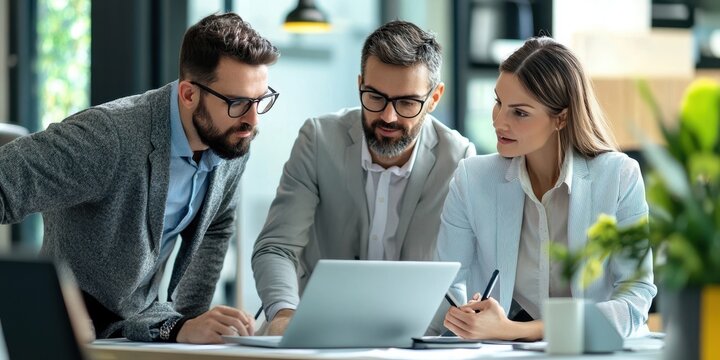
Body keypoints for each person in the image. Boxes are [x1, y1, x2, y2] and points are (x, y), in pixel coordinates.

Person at [0, 13, 279, 343]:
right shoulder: (110, 137)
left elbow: (216, 225)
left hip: (137, 328)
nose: (252, 120)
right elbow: (6, 180)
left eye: (260, 101)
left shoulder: (231, 140)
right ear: (189, 94)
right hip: (67, 327)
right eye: (237, 103)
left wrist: (187, 324)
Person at [252, 20, 475, 335]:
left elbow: (461, 276)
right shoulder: (318, 140)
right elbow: (277, 247)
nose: (388, 116)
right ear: (360, 85)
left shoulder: (459, 160)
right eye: (375, 97)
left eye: (407, 102)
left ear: (434, 98)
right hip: (315, 334)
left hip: (416, 340)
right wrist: (286, 315)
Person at [432, 37, 656, 340]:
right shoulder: (472, 178)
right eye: (498, 102)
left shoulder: (619, 177)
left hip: (595, 351)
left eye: (519, 112)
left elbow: (635, 298)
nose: (499, 122)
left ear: (561, 118)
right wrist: (466, 315)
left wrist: (516, 330)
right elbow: (447, 283)